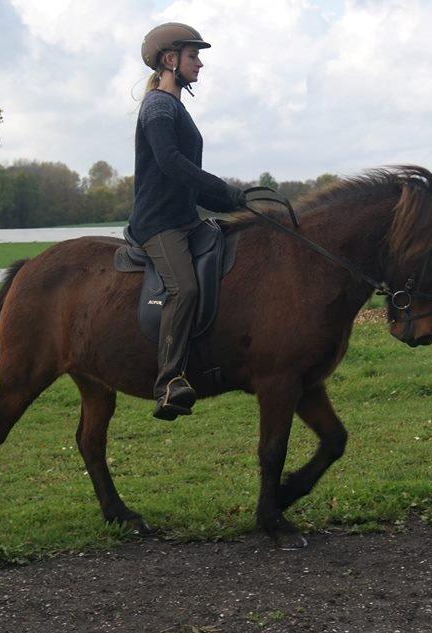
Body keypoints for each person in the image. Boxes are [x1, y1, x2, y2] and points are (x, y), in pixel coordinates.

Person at [133, 22, 246, 421]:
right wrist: (222, 187)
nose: (200, 64)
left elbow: (188, 181)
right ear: (170, 59)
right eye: (193, 55)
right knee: (183, 288)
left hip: (186, 218)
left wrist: (234, 200)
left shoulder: (176, 107)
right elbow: (170, 164)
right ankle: (168, 382)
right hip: (159, 224)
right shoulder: (159, 107)